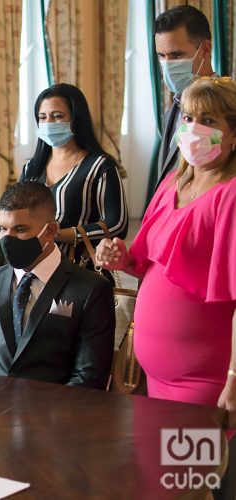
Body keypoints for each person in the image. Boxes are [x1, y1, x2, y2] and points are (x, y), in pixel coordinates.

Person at [96, 76, 236, 417]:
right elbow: (145, 263)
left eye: (208, 121)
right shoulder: (173, 182)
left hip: (204, 379)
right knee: (159, 466)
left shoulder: (230, 193)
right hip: (151, 376)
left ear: (233, 133)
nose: (193, 128)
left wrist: (234, 377)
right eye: (188, 118)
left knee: (188, 468)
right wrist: (119, 258)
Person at [0, 181, 114, 389]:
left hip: (55, 414)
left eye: (20, 229)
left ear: (50, 231)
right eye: (3, 229)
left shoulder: (91, 290)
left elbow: (89, 377)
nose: (7, 239)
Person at [20, 84, 127, 271]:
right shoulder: (31, 168)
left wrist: (62, 234)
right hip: (33, 267)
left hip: (79, 271)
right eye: (43, 117)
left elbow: (117, 224)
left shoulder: (100, 166)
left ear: (76, 120)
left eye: (58, 116)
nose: (49, 123)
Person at [153, 5, 215, 190]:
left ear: (204, 49)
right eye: (161, 56)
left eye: (176, 55)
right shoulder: (172, 110)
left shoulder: (227, 108)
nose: (167, 64)